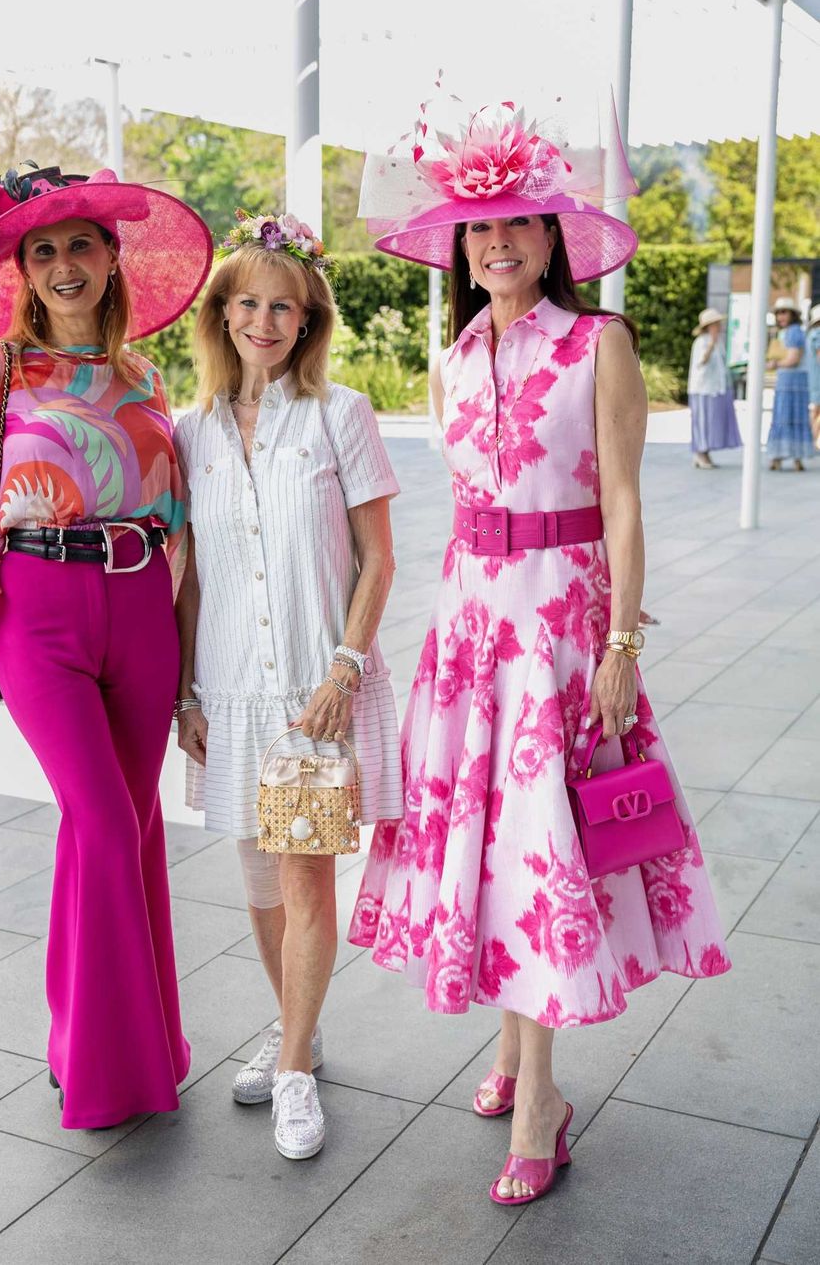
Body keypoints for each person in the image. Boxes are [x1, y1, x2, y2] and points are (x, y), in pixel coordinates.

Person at [351, 96, 731, 1205]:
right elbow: (465, 505)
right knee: (487, 847)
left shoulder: (597, 343)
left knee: (534, 850)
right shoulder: (452, 354)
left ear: (553, 237)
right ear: (461, 246)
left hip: (560, 631)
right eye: (479, 230)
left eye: (518, 225)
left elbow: (620, 499)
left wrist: (619, 639)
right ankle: (515, 1053)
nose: (498, 244)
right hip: (471, 634)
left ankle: (540, 1099)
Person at [0, 163, 213, 1129]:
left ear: (109, 255)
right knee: (101, 821)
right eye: (41, 252)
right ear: (24, 273)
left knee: (129, 826)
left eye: (78, 244)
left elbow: (180, 522)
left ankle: (118, 1038)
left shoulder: (147, 376)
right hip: (39, 609)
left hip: (139, 608)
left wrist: (191, 667)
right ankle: (112, 1068)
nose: (62, 265)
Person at [173, 210, 402, 1160]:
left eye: (287, 308)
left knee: (307, 877)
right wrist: (187, 692)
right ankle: (294, 1026)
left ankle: (299, 1068)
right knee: (261, 880)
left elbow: (379, 560)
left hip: (318, 687)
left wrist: (345, 668)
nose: (266, 321)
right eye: (250, 304)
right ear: (222, 314)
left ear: (308, 322)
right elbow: (191, 574)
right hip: (230, 692)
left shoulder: (341, 414)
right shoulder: (190, 433)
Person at [687, 307, 742, 469]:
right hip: (702, 389)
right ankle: (700, 453)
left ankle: (705, 452)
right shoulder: (701, 342)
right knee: (702, 421)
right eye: (716, 324)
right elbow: (701, 362)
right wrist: (711, 344)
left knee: (711, 422)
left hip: (715, 388)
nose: (719, 327)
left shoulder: (719, 343)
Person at [766, 297, 813, 471]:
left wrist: (775, 364)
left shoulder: (794, 332)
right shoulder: (786, 332)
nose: (780, 316)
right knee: (790, 417)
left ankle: (786, 457)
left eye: (784, 312)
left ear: (792, 314)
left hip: (792, 381)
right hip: (789, 380)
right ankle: (791, 457)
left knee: (786, 416)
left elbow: (793, 358)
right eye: (778, 313)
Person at [806, 303, 820, 451]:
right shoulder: (818, 334)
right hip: (818, 377)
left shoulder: (811, 334)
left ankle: (814, 439)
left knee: (816, 409)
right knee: (817, 409)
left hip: (813, 377)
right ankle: (814, 440)